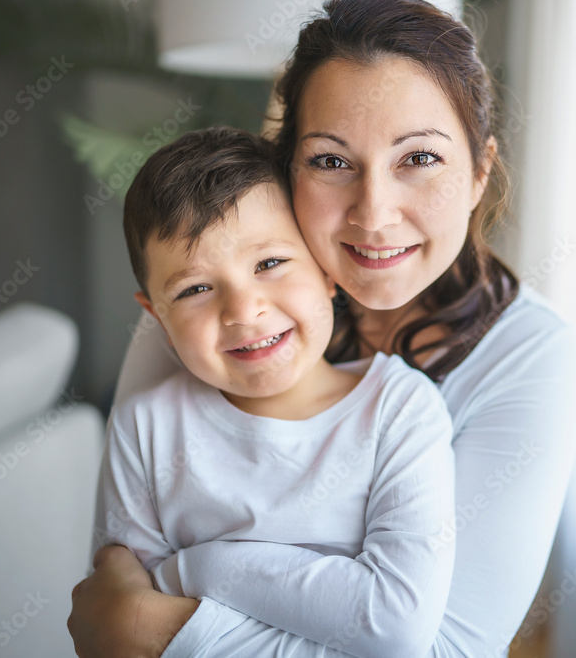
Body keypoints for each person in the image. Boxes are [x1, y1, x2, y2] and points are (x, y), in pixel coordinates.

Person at [68, 0, 576, 656]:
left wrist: (171, 611)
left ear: (480, 171)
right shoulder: (214, 304)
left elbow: (442, 649)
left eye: (419, 158)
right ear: (290, 169)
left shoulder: (527, 356)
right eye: (332, 160)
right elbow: (109, 591)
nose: (373, 212)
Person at [92, 125, 457, 658]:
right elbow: (120, 624)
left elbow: (394, 627)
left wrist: (200, 566)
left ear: (328, 271)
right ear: (158, 317)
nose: (243, 310)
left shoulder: (401, 412)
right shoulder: (145, 425)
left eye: (269, 264)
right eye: (195, 289)